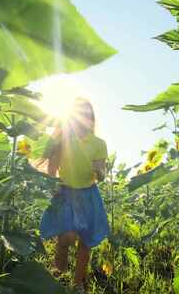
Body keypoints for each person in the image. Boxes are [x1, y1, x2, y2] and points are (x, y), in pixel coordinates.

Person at [31, 97, 109, 292]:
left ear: (90, 118)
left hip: (89, 194)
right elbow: (52, 167)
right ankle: (60, 276)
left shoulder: (99, 143)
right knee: (66, 237)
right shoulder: (62, 139)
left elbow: (101, 172)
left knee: (85, 241)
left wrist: (100, 172)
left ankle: (77, 284)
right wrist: (53, 187)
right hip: (65, 192)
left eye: (85, 115)